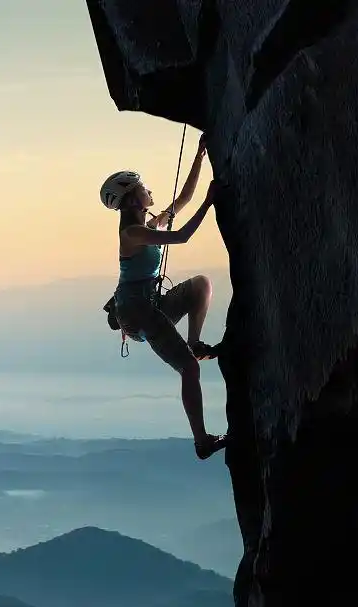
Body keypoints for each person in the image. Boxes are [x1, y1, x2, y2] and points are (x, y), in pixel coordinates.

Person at [100, 135, 227, 460]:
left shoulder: (146, 225)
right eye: (143, 189)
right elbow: (182, 235)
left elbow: (181, 200)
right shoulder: (133, 234)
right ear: (132, 202)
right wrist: (210, 202)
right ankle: (202, 442)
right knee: (189, 370)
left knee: (201, 285)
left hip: (148, 305)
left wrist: (199, 155)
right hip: (139, 313)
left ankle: (194, 343)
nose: (149, 191)